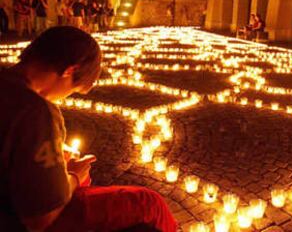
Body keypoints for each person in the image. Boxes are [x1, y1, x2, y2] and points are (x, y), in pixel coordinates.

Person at [0, 26, 177, 232]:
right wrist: (74, 175)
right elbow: (41, 218)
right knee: (148, 203)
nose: (65, 97)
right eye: (73, 90)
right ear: (69, 70)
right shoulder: (35, 110)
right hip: (12, 220)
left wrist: (49, 157)